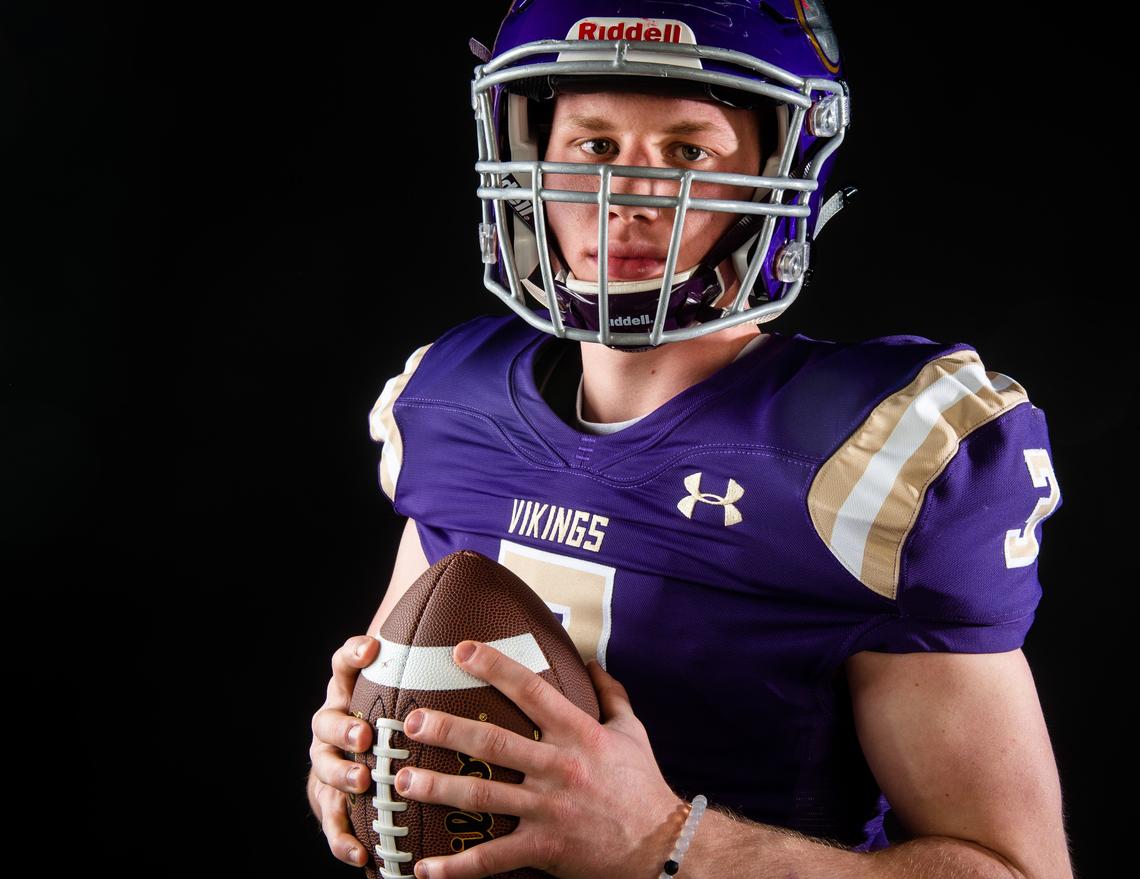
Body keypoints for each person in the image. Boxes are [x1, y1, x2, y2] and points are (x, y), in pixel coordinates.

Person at [308, 2, 1073, 877]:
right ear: (530, 159)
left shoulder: (864, 462)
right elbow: (407, 703)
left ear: (781, 170)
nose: (629, 194)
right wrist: (350, 761)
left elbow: (1019, 869)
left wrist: (672, 839)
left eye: (687, 151)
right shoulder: (446, 406)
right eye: (596, 147)